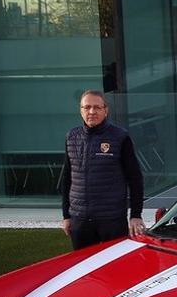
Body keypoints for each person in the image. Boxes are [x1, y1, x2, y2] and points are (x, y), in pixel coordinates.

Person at [58, 90, 145, 250]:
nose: (92, 112)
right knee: (82, 269)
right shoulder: (71, 137)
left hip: (111, 219)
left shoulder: (120, 137)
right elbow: (67, 178)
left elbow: (135, 178)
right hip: (80, 220)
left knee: (114, 268)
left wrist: (135, 215)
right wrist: (66, 216)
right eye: (87, 107)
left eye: (97, 107)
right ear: (81, 110)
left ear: (106, 110)